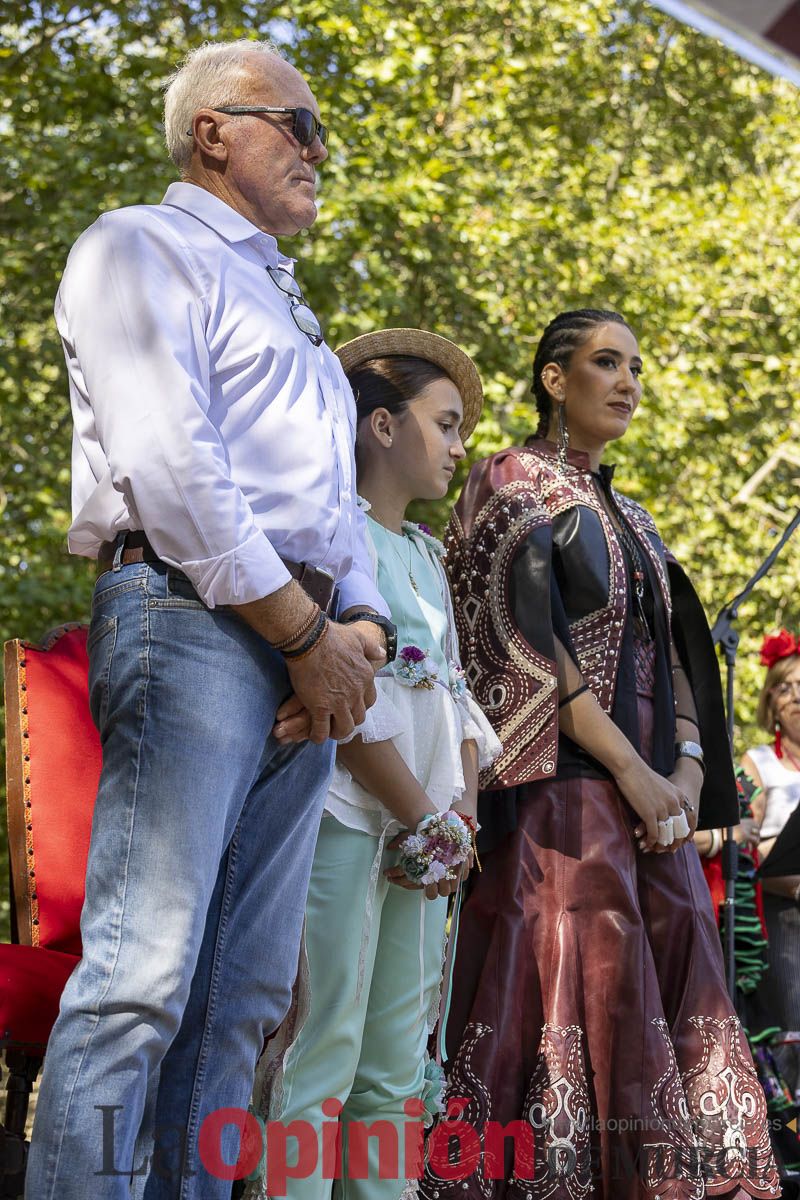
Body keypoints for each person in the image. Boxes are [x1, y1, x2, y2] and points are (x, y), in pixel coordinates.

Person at [26, 40, 396, 1200]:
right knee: (143, 976)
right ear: (213, 132)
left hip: (311, 657)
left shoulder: (287, 302)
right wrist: (302, 633)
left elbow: (333, 504)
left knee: (242, 993)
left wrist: (365, 632)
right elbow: (171, 465)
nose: (319, 152)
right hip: (197, 621)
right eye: (298, 124)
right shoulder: (137, 242)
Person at [421, 310, 780, 1199]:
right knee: (574, 967)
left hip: (653, 794)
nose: (626, 382)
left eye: (635, 368)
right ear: (553, 379)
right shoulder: (510, 479)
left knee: (676, 972)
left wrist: (689, 772)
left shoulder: (635, 512)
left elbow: (676, 650)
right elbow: (525, 640)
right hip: (564, 789)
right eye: (604, 363)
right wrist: (633, 769)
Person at [246, 329, 501, 1200]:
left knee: (398, 1063)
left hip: (427, 831)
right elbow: (343, 697)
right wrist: (417, 810)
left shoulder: (430, 558)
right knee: (325, 1041)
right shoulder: (329, 538)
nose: (463, 446)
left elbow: (456, 692)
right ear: (381, 427)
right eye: (448, 422)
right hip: (349, 814)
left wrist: (456, 811)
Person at [741, 630, 800, 1091]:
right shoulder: (758, 762)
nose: (796, 696)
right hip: (782, 914)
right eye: (784, 687)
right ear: (770, 702)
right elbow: (745, 846)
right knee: (792, 1033)